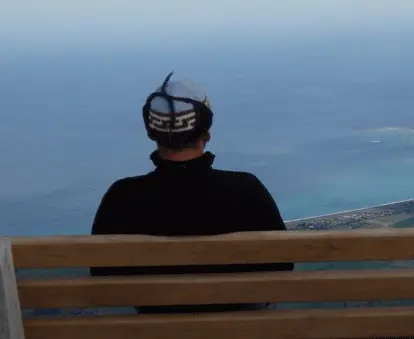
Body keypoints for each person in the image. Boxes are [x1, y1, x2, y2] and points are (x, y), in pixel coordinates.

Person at [90, 71, 293, 314]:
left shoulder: (121, 197)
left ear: (153, 135)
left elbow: (104, 278)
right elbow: (282, 263)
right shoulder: (246, 189)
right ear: (206, 134)